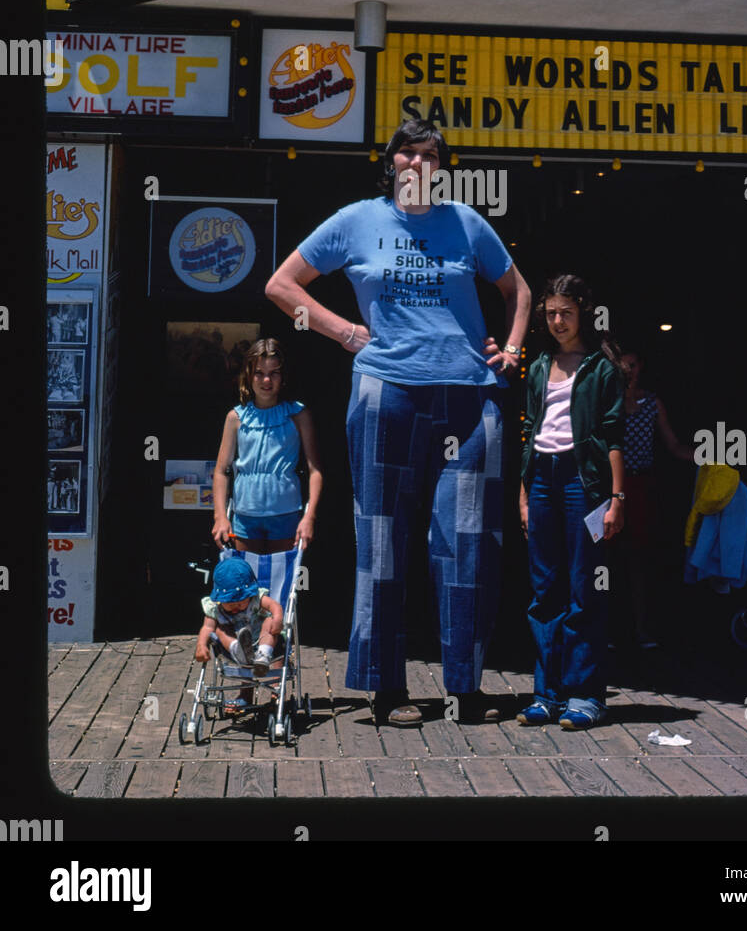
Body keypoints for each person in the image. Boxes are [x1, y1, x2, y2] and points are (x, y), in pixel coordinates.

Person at [266, 118, 531, 726]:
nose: (417, 162)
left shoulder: (466, 223)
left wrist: (513, 351)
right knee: (383, 538)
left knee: (467, 544)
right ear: (390, 164)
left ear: (441, 167)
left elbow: (518, 290)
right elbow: (282, 286)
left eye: (429, 154)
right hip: (385, 393)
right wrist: (346, 333)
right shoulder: (356, 220)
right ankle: (386, 691)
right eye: (406, 153)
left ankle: (465, 688)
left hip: (469, 397)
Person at [517, 274, 625, 730]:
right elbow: (528, 432)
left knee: (585, 588)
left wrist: (617, 497)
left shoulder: (601, 368)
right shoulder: (540, 364)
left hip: (585, 483)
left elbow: (613, 435)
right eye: (551, 312)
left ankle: (586, 695)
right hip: (542, 477)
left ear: (583, 312)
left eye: (567, 312)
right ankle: (547, 694)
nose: (558, 321)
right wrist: (522, 493)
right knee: (545, 591)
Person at [211, 338, 323, 555]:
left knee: (281, 583)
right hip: (245, 516)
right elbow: (221, 471)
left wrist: (310, 517)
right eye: (259, 372)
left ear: (283, 377)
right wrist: (220, 517)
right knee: (247, 583)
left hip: (286, 514)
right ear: (248, 375)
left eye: (274, 373)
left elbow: (315, 471)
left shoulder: (298, 415)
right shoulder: (236, 417)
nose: (266, 380)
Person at [615, 348, 694, 647]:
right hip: (612, 488)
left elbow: (673, 445)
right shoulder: (606, 401)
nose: (630, 372)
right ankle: (608, 629)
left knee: (638, 559)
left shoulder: (651, 403)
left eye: (633, 366)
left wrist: (711, 457)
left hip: (641, 485)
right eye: (624, 367)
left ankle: (640, 629)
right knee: (605, 560)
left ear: (641, 367)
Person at [194, 557, 284, 712]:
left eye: (240, 603)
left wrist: (278, 618)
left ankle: (265, 662)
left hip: (265, 642)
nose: (235, 608)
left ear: (249, 595)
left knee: (268, 622)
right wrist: (201, 645)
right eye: (230, 604)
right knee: (219, 629)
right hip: (235, 647)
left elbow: (274, 605)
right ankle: (239, 651)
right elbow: (207, 628)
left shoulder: (256, 598)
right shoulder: (216, 608)